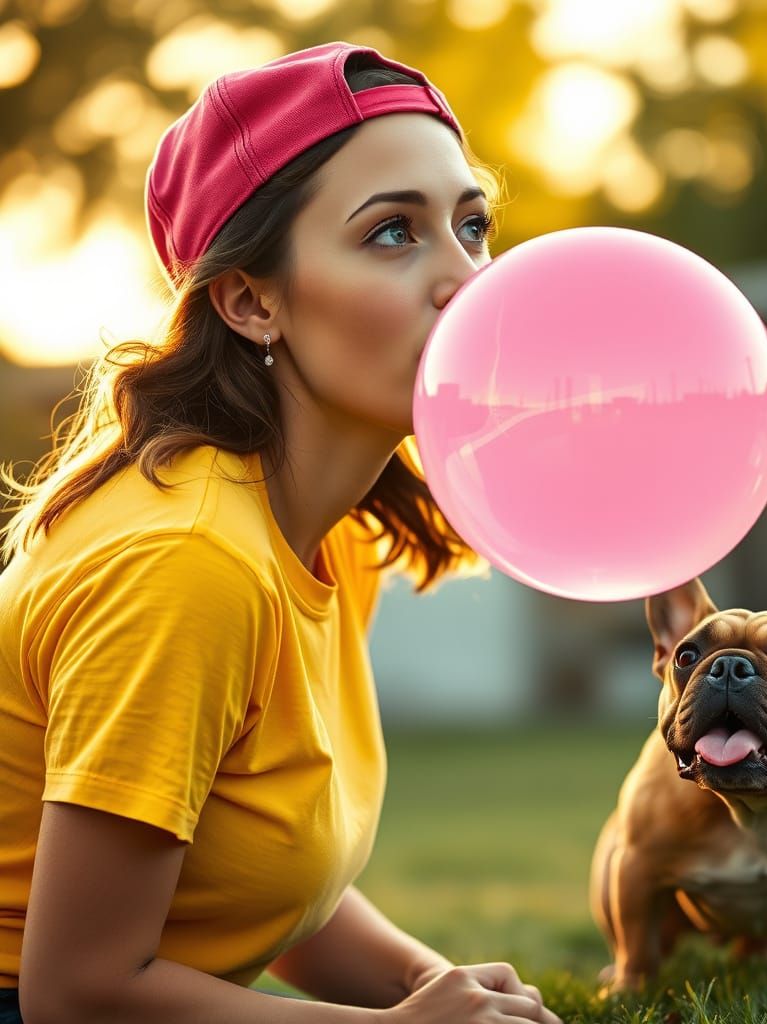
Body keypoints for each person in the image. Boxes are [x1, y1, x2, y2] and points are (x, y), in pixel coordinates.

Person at [0, 41, 561, 1024]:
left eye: (472, 226)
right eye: (393, 233)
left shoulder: (324, 528)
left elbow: (249, 866)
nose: (469, 278)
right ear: (252, 302)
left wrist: (429, 990)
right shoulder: (188, 563)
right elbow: (76, 994)